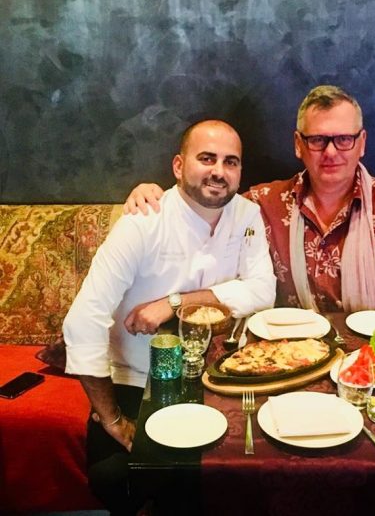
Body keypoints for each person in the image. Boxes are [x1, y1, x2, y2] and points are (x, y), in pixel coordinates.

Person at [124, 86, 375, 448]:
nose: (330, 152)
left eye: (343, 139)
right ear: (299, 145)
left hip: (373, 368)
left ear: (361, 143)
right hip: (285, 368)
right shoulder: (262, 204)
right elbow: (206, 197)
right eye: (317, 140)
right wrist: (156, 194)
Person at [63, 120, 276, 515]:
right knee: (116, 476)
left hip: (220, 377)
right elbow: (83, 320)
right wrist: (112, 419)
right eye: (207, 158)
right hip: (138, 377)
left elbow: (263, 290)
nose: (219, 171)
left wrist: (175, 302)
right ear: (178, 166)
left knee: (244, 471)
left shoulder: (247, 215)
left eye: (230, 162)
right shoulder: (143, 221)